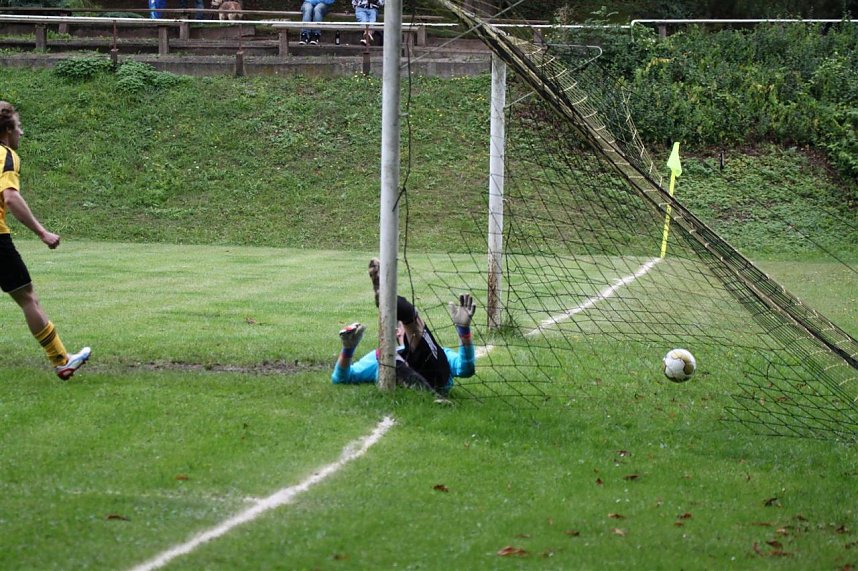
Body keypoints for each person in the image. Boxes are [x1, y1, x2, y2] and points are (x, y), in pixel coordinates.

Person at [0, 102, 91, 380]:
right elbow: (11, 198)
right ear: (6, 130)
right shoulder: (6, 155)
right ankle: (61, 360)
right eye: (18, 127)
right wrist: (42, 232)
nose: (21, 134)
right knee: (28, 297)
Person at [332, 258, 476, 397]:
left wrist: (464, 331)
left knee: (419, 340)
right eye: (402, 325)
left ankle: (395, 303)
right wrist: (348, 348)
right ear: (396, 331)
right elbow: (342, 378)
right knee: (389, 357)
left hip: (436, 374)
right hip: (402, 371)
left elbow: (466, 370)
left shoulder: (443, 353)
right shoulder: (380, 356)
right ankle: (395, 303)